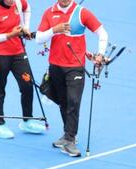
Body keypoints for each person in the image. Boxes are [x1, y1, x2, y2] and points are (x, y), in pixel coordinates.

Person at [36, 0, 108, 157]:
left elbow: (102, 33)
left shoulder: (81, 12)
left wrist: (100, 53)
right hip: (55, 65)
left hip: (75, 65)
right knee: (63, 102)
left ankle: (70, 139)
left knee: (73, 101)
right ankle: (68, 134)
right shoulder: (49, 12)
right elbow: (39, 38)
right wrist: (54, 30)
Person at [0, 0, 46, 139]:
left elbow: (27, 7)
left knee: (27, 84)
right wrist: (10, 35)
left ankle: (27, 120)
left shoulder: (18, 3)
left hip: (18, 52)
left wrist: (25, 26)